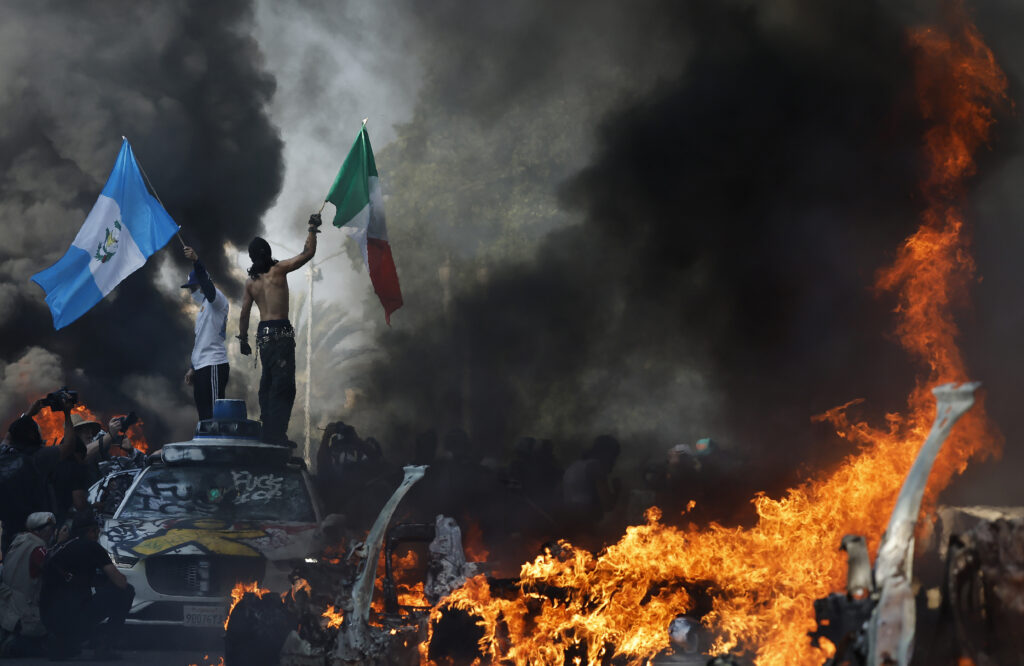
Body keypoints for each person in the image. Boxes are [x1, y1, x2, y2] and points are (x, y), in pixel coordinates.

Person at [238, 214, 320, 444]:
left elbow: (244, 313)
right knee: (283, 385)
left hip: (264, 335)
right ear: (268, 251)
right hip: (281, 333)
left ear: (252, 256)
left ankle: (268, 427)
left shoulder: (250, 282)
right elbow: (307, 253)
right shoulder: (279, 269)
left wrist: (243, 340)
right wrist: (312, 228)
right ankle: (276, 434)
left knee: (269, 379)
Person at [40, 512, 134, 661]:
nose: (98, 535)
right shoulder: (92, 547)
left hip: (49, 621)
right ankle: (105, 646)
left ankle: (65, 643)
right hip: (72, 620)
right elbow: (120, 583)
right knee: (127, 591)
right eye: (97, 531)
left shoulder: (60, 547)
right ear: (92, 531)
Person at [0, 395, 75, 555]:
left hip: (9, 526)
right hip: (35, 529)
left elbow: (10, 434)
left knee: (10, 564)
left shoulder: (3, 452)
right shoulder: (39, 456)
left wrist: (29, 413)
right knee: (35, 569)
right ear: (33, 435)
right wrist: (67, 414)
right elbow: (69, 446)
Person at [182, 245, 230, 421]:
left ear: (201, 285)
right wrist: (193, 367)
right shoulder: (203, 309)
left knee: (214, 416)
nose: (190, 292)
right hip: (202, 367)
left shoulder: (216, 300)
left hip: (214, 366)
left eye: (192, 288)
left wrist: (196, 261)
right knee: (204, 417)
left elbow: (208, 286)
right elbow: (202, 340)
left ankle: (218, 448)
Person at [0, 512, 55, 657]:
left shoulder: (17, 542)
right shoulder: (39, 548)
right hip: (26, 611)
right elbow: (51, 570)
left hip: (8, 605)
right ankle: (17, 643)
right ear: (46, 530)